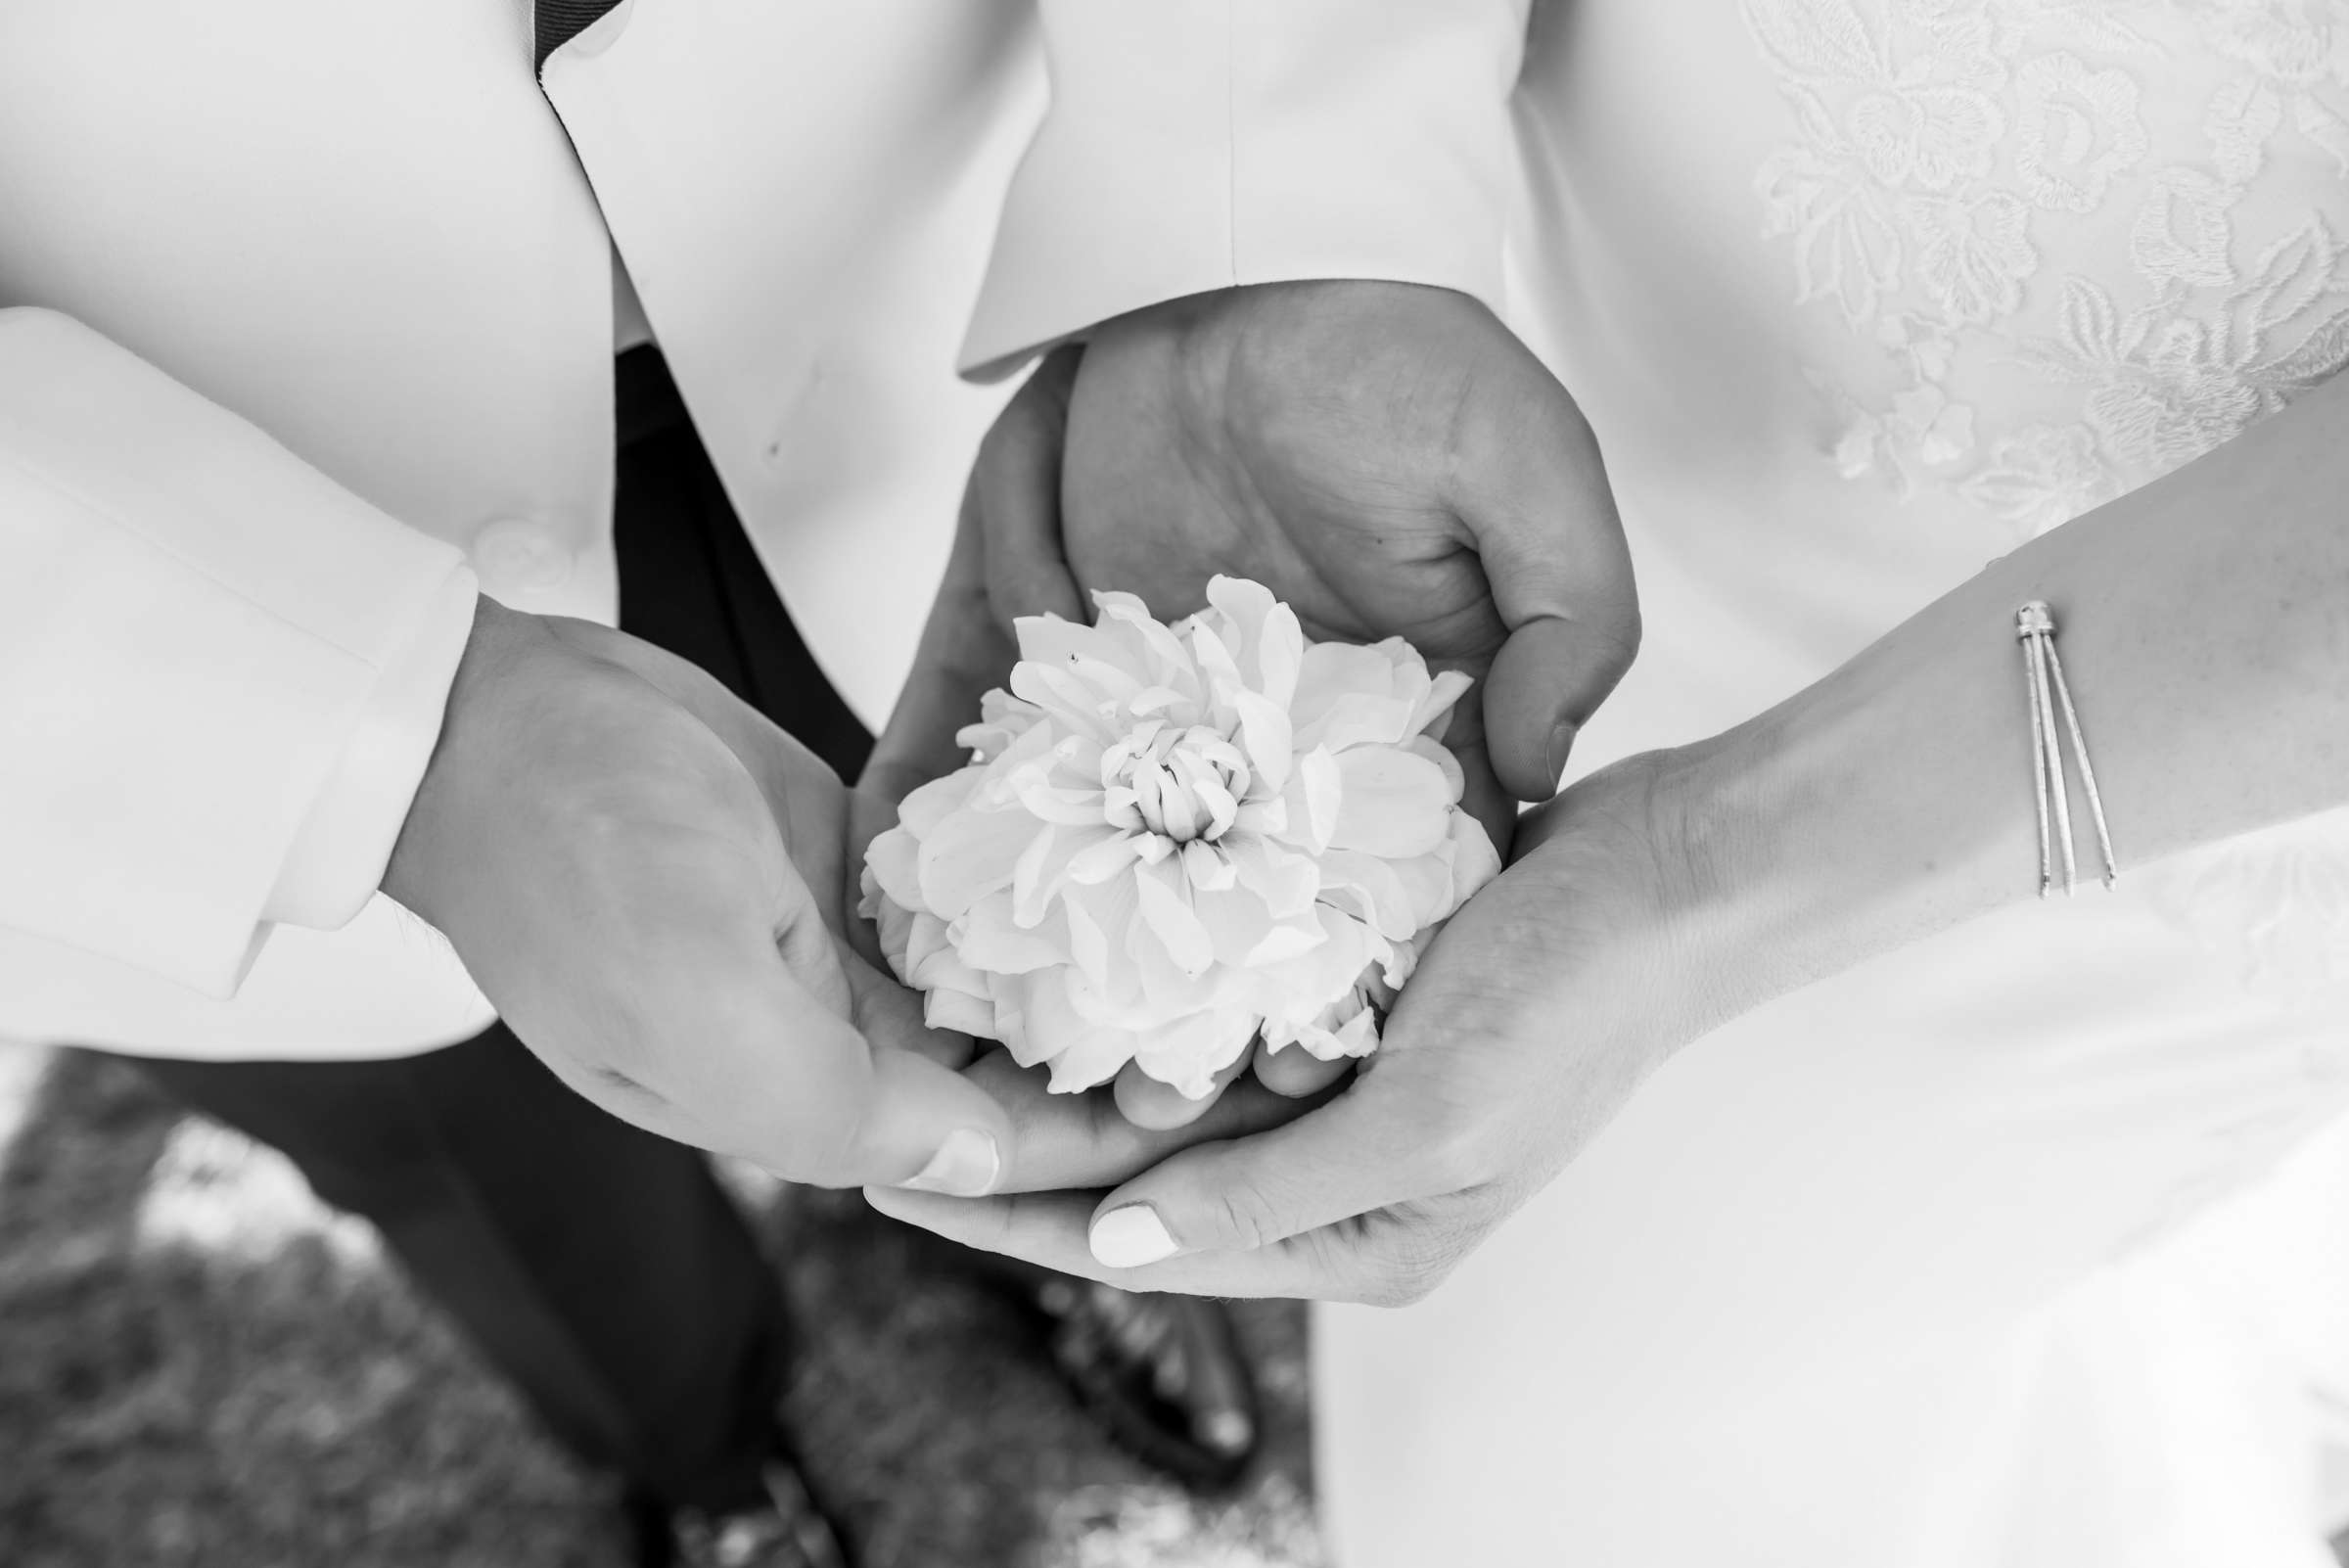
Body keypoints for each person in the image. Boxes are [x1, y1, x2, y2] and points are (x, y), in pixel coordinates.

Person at [4, 4, 1613, 1561]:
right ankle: (702, 1446)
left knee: (985, 987)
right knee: (496, 1177)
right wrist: (357, 731)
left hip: (922, 359)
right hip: (209, 520)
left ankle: (1055, 1242)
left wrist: (1261, 201)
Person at [862, 3, 2349, 1565]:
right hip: (1518, 398)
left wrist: (1695, 875)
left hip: (2129, 774)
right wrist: (1288, 217)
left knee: (1643, 1402)